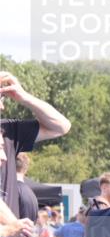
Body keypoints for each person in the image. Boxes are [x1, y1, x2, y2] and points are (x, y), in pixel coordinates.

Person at [0, 71, 71, 219]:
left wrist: (24, 97)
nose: (2, 107)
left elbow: (61, 126)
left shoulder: (8, 131)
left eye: (2, 98)